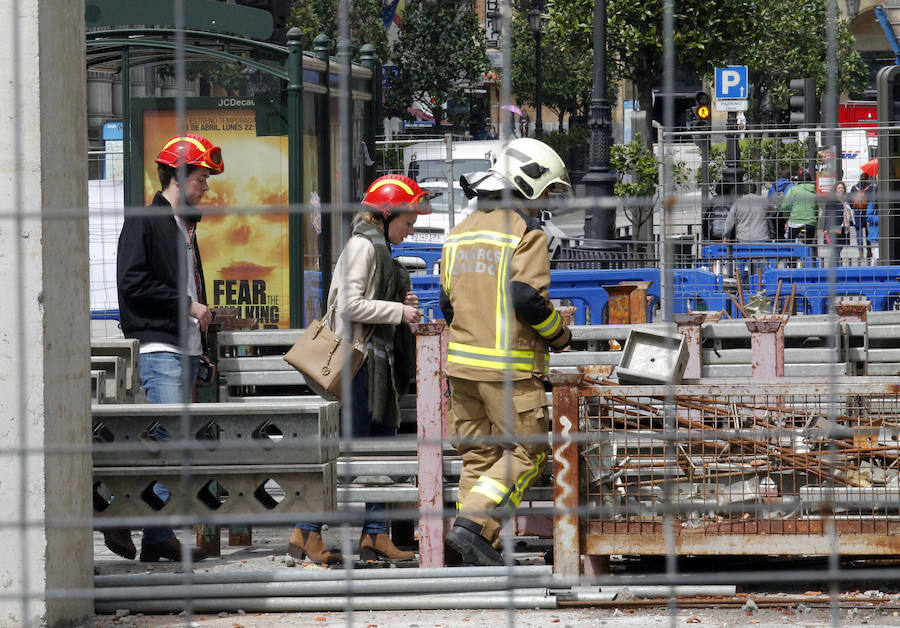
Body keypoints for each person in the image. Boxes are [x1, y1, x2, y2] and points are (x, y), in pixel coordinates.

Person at [440, 138, 572, 566]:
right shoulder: (524, 232)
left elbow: (447, 304)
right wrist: (559, 336)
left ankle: (476, 546)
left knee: (479, 456)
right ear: (527, 182)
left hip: (461, 367)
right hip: (509, 371)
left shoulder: (458, 234)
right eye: (546, 190)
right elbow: (525, 297)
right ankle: (471, 526)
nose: (547, 201)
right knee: (525, 452)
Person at [289, 174, 428, 566]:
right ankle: (306, 529)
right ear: (386, 215)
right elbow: (350, 307)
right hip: (361, 368)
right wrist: (398, 310)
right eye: (407, 223)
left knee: (380, 449)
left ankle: (376, 535)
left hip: (376, 370)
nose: (410, 230)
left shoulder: (377, 247)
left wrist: (400, 300)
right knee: (348, 451)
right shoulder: (363, 247)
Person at [111, 133, 224, 562]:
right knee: (172, 443)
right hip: (161, 350)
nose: (206, 188)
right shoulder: (148, 220)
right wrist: (189, 307)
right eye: (201, 179)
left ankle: (156, 535)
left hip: (182, 349)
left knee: (172, 445)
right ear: (178, 177)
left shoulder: (181, 226)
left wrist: (201, 344)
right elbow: (133, 282)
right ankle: (121, 514)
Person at [780, 170, 817, 256]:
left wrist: (787, 218)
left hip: (795, 221)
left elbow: (785, 206)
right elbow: (817, 208)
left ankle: (791, 263)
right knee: (809, 245)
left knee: (790, 244)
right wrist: (815, 219)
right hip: (810, 222)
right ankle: (809, 262)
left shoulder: (793, 189)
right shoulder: (814, 190)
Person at [823, 181, 852, 266]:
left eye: (842, 188)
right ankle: (834, 268)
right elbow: (827, 214)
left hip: (842, 229)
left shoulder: (845, 200)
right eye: (839, 188)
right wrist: (826, 228)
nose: (841, 190)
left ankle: (835, 268)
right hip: (833, 228)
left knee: (838, 250)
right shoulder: (831, 200)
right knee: (835, 250)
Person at [851, 172, 875, 260]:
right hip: (867, 211)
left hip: (857, 212)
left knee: (859, 233)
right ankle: (869, 251)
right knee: (868, 232)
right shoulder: (871, 188)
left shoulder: (854, 188)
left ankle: (860, 253)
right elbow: (873, 200)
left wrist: (852, 209)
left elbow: (851, 200)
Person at [867, 195, 879, 265]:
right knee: (876, 257)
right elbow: (868, 217)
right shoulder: (873, 202)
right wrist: (881, 219)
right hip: (876, 234)